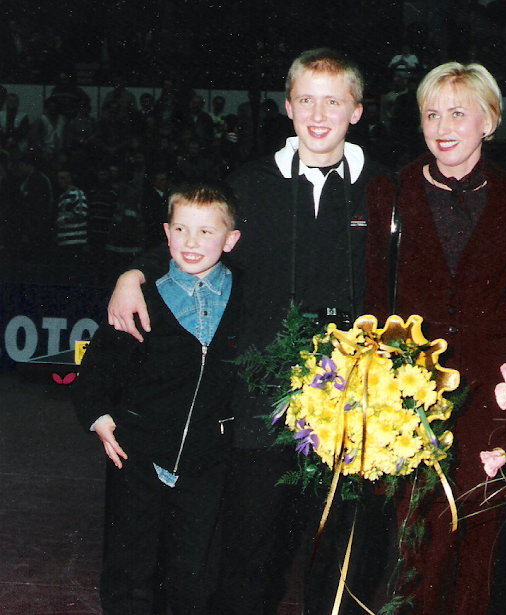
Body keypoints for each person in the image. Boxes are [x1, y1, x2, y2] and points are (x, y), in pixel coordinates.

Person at [106, 48, 386, 615]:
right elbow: (196, 238)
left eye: (333, 101)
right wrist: (135, 271)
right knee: (246, 555)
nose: (318, 113)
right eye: (306, 99)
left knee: (341, 554)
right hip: (260, 404)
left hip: (353, 402)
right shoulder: (251, 183)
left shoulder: (384, 189)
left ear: (357, 110)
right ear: (287, 106)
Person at [364, 61, 506, 615]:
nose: (443, 125)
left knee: (482, 521)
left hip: (495, 385)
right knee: (421, 528)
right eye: (432, 113)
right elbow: (373, 296)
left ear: (490, 120)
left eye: (459, 112)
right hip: (413, 386)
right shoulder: (390, 191)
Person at [73, 182, 243, 614]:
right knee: (129, 572)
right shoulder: (140, 298)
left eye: (207, 232)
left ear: (231, 239)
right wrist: (100, 417)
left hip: (210, 460)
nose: (192, 242)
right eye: (182, 229)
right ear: (166, 233)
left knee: (195, 575)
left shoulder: (248, 297)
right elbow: (96, 370)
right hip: (139, 452)